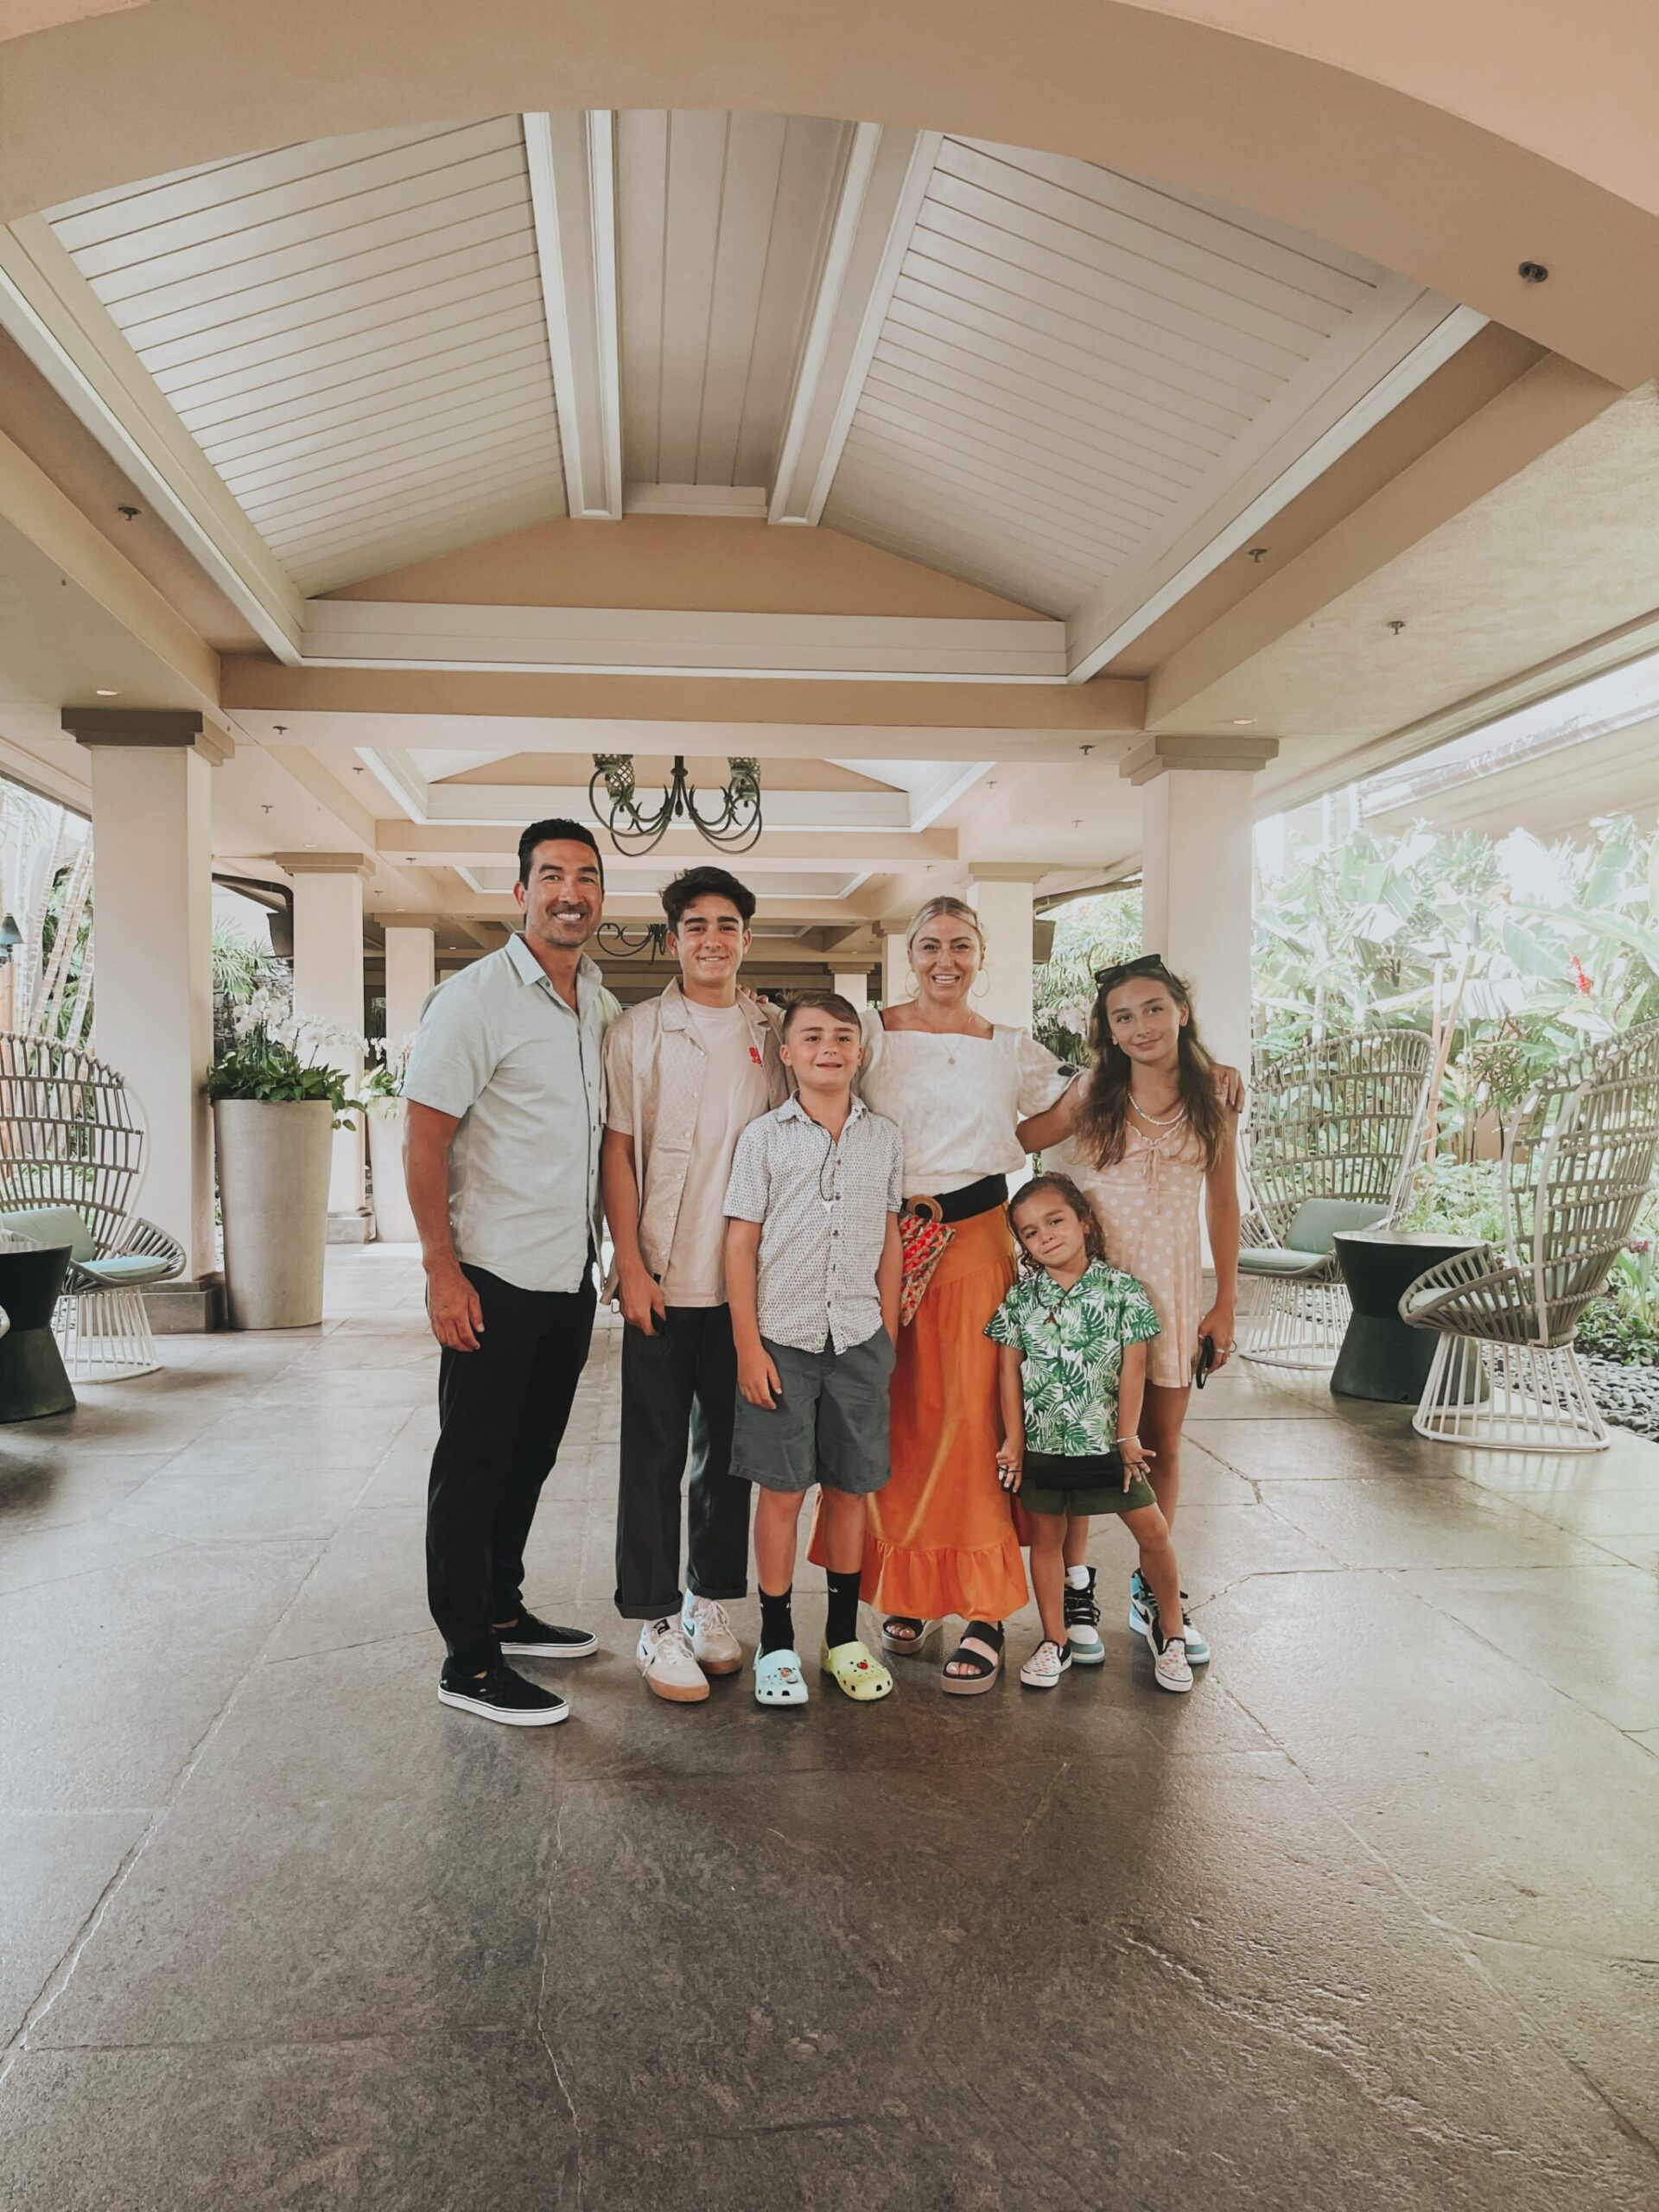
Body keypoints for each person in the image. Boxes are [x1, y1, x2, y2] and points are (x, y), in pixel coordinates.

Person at [403, 817, 619, 1727]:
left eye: (586, 876)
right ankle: (468, 1659)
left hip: (564, 1277)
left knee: (528, 1458)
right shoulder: (474, 998)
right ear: (521, 890)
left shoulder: (597, 1003)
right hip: (490, 1275)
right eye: (551, 875)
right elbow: (423, 1137)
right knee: (475, 1463)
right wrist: (440, 1271)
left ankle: (501, 1603)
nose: (570, 891)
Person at [834, 896, 1073, 1694]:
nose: (946, 959)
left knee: (975, 1414)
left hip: (975, 1243)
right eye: (931, 945)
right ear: (910, 953)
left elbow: (1045, 1122)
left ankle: (980, 1609)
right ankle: (909, 1587)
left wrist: (1174, 1063)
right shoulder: (870, 1032)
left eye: (961, 946)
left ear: (981, 954)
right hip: (884, 1241)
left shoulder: (1008, 1047)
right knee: (895, 1410)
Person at [1020, 955, 1242, 1668]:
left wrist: (1225, 1302)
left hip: (1171, 1292)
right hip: (1089, 1294)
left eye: (1153, 1008)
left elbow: (1223, 1201)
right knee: (1084, 1443)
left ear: (1181, 1010)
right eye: (1123, 1017)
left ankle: (1154, 1589)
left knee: (1162, 1444)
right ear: (1107, 1033)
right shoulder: (1092, 1092)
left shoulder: (1215, 1094)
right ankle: (1077, 1587)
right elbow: (1024, 1139)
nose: (1140, 1026)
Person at [601, 865, 789, 1704]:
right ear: (674, 937)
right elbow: (617, 1150)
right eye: (694, 925)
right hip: (663, 1281)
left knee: (729, 1460)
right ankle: (653, 1620)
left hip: (747, 1288)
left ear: (747, 937)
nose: (711, 939)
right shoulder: (636, 1032)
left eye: (726, 925)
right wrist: (629, 1263)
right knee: (653, 1454)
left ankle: (707, 1600)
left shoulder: (776, 1033)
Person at [724, 993, 905, 1709]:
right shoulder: (764, 1138)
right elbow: (740, 1242)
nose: (828, 1048)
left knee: (852, 1489)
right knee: (783, 1490)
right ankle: (775, 1640)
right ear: (788, 1052)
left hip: (859, 1340)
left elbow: (890, 1237)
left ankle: (841, 1639)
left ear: (860, 1052)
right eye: (812, 1037)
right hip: (781, 1340)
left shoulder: (884, 1138)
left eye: (842, 1037)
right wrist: (746, 1345)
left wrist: (885, 1331)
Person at [988, 1174, 1193, 1694]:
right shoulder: (1021, 1298)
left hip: (1105, 1446)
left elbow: (1133, 1367)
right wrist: (1014, 1440)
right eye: (1031, 1232)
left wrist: (1127, 1437)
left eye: (1055, 1221)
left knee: (1152, 1531)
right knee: (1048, 1543)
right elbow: (1007, 1371)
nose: (1046, 1236)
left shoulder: (1122, 1291)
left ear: (1083, 1220)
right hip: (1044, 1447)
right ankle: (1054, 1640)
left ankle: (1171, 1633)